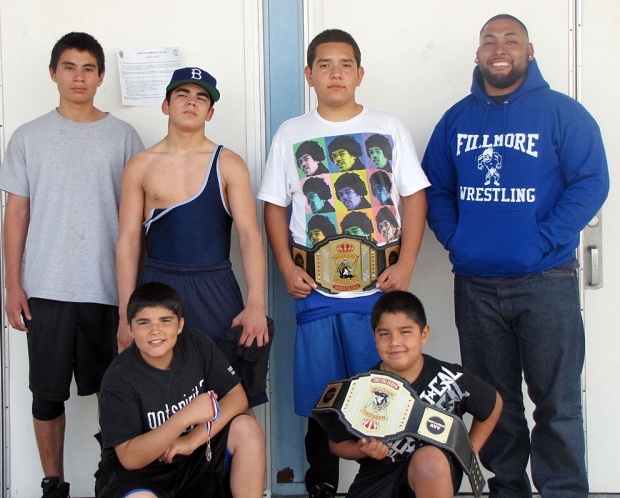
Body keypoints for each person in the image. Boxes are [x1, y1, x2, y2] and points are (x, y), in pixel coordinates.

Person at [422, 14, 609, 498]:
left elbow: (592, 181)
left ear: (529, 52)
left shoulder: (562, 113)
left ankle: (565, 491)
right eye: (489, 41)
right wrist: (456, 238)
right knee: (495, 406)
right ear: (478, 54)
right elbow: (436, 189)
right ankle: (507, 493)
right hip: (477, 287)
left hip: (547, 283)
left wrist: (545, 239)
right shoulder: (457, 119)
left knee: (558, 404)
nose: (499, 48)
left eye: (511, 40)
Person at [258, 28, 429, 497]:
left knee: (388, 392)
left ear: (360, 73)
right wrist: (285, 268)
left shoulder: (388, 126)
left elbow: (415, 198)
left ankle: (397, 484)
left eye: (346, 64)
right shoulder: (292, 133)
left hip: (381, 292)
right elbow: (273, 205)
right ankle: (321, 487)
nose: (336, 73)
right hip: (316, 291)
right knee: (324, 399)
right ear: (309, 74)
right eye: (326, 64)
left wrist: (408, 264)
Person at [0, 32, 144, 498]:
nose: (78, 77)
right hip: (46, 288)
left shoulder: (123, 136)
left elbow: (135, 221)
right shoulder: (28, 136)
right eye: (68, 67)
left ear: (100, 76)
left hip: (105, 291)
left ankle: (112, 480)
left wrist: (129, 301)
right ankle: (53, 484)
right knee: (47, 393)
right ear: (54, 73)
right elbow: (16, 213)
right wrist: (12, 285)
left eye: (87, 69)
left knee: (113, 393)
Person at [116, 67, 268, 406]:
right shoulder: (140, 165)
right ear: (165, 105)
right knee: (161, 396)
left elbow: (249, 235)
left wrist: (256, 303)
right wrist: (126, 314)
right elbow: (128, 241)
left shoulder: (229, 163)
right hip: (158, 285)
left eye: (201, 97)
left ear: (210, 112)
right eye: (182, 94)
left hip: (215, 285)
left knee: (232, 395)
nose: (191, 102)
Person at [95, 282, 265, 498]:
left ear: (179, 325)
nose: (155, 331)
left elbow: (237, 398)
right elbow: (130, 458)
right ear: (129, 328)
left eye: (165, 321)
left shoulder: (195, 343)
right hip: (141, 472)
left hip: (192, 457)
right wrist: (184, 418)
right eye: (144, 322)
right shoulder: (118, 378)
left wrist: (191, 440)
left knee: (247, 427)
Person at [326, 291, 502, 498]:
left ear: (424, 334)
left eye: (405, 332)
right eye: (385, 334)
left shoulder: (449, 378)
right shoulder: (362, 387)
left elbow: (493, 404)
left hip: (432, 474)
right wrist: (361, 449)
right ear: (374, 337)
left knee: (430, 460)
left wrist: (466, 452)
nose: (395, 342)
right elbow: (336, 443)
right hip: (379, 476)